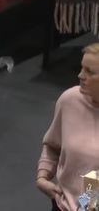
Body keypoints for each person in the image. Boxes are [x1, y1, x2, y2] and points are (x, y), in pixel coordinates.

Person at [37, 43, 99, 210]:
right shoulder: (69, 101)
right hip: (63, 204)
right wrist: (42, 177)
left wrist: (89, 204)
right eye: (81, 68)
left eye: (89, 71)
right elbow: (52, 145)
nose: (80, 75)